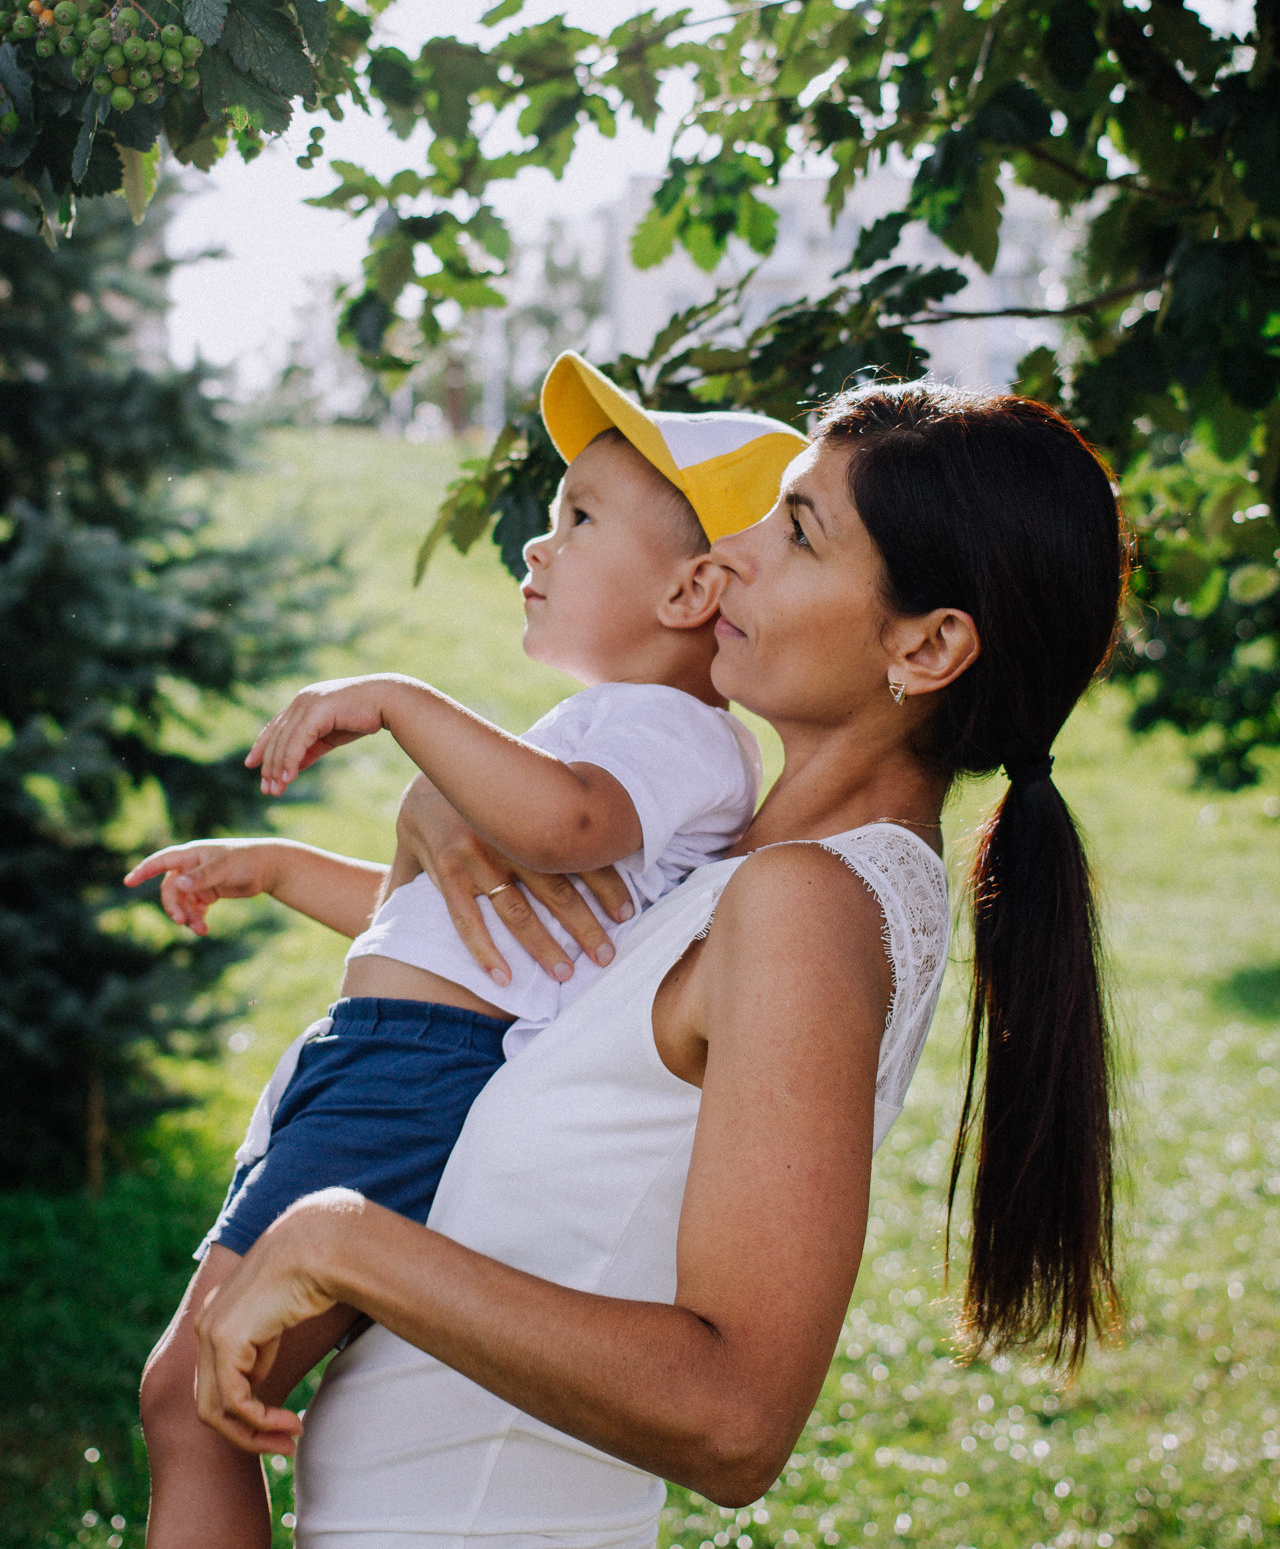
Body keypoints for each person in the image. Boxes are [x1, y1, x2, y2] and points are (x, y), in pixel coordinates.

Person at [190, 382, 1127, 1549]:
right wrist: (421, 821)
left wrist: (346, 1243)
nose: (727, 558)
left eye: (794, 535)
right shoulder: (724, 862)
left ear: (925, 645)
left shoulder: (803, 905)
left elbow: (735, 1423)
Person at [128, 352, 807, 1549]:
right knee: (195, 1399)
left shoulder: (680, 737)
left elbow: (561, 824)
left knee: (189, 1403)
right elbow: (461, 929)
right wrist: (280, 868)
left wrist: (397, 699)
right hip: (382, 1055)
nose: (539, 547)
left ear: (694, 589)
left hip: (410, 1074)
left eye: (578, 520)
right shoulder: (610, 725)